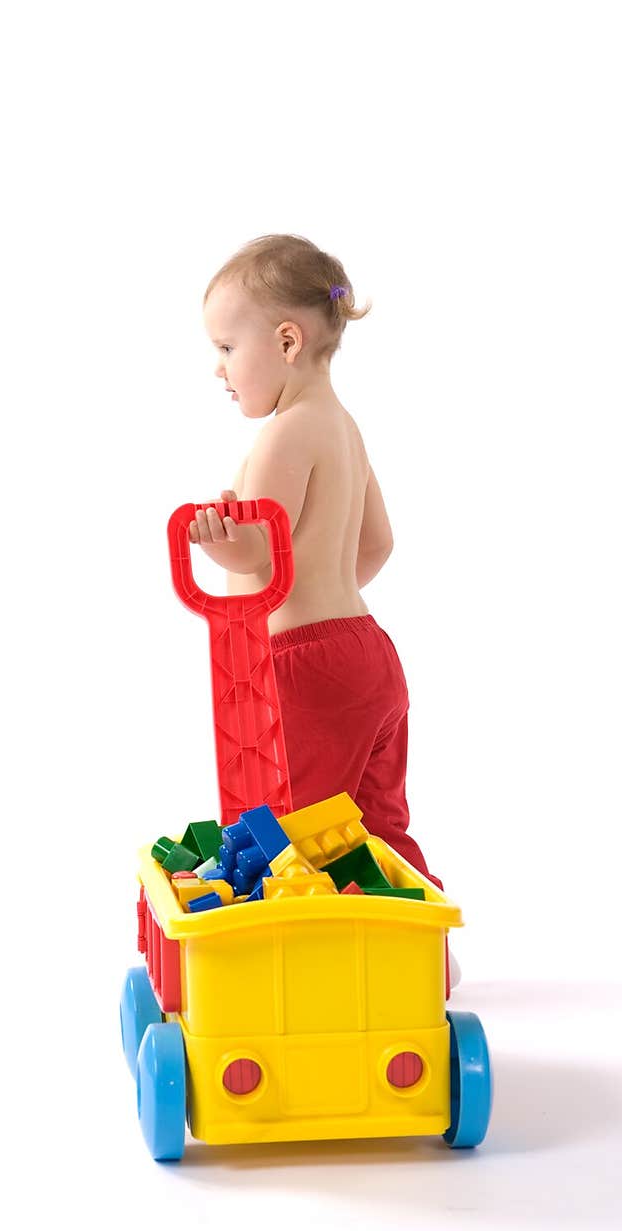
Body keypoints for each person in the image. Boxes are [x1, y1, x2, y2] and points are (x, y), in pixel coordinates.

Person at [194, 234, 459, 984]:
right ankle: (428, 950)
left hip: (302, 666)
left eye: (225, 346)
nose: (218, 368)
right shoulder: (344, 429)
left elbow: (261, 554)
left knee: (300, 827)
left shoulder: (283, 435)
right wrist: (327, 578)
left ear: (286, 340)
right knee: (377, 820)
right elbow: (375, 546)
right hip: (367, 654)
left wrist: (221, 539)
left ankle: (314, 974)